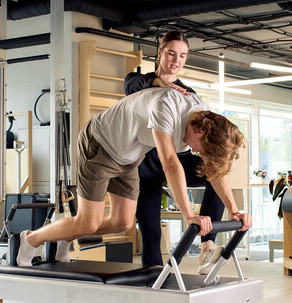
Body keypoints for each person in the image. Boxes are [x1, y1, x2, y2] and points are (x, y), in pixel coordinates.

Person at [16, 87, 252, 274]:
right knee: (88, 223)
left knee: (122, 222)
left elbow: (215, 172)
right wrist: (189, 215)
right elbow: (170, 162)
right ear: (200, 132)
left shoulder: (204, 117)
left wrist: (234, 211)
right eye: (201, 149)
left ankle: (64, 235)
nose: (198, 152)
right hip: (100, 146)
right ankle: (31, 239)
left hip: (129, 158)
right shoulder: (166, 109)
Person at [124, 31, 227, 275]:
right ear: (160, 53)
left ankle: (207, 244)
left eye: (182, 55)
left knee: (215, 173)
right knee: (150, 231)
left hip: (175, 160)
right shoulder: (138, 82)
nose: (176, 60)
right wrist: (158, 83)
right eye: (171, 53)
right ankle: (152, 280)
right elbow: (131, 85)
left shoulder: (187, 92)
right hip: (146, 166)